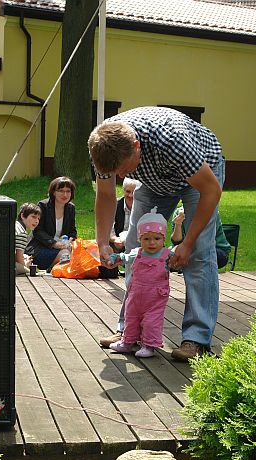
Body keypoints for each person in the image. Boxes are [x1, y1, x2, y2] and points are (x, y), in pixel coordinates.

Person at [88, 106, 225, 361]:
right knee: (134, 249)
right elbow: (106, 194)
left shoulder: (172, 140)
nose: (120, 176)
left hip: (199, 176)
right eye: (115, 172)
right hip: (154, 180)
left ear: (136, 147)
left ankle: (196, 339)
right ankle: (129, 331)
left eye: (123, 169)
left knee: (198, 255)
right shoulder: (102, 143)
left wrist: (187, 242)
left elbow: (211, 191)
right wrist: (102, 241)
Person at [109, 208, 171, 358]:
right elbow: (124, 257)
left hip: (155, 297)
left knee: (152, 321)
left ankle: (149, 345)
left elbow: (180, 258)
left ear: (163, 239)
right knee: (131, 317)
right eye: (146, 239)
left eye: (157, 239)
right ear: (139, 239)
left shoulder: (166, 255)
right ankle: (127, 342)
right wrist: (115, 258)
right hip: (136, 295)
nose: (151, 243)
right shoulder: (137, 253)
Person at [24, 177, 78, 271]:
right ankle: (52, 269)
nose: (65, 194)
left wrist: (70, 241)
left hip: (63, 247)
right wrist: (54, 244)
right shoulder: (43, 206)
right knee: (65, 254)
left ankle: (57, 268)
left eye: (68, 191)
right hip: (41, 248)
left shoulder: (70, 208)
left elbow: (72, 231)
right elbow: (38, 231)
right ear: (53, 192)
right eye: (61, 191)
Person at [110, 178, 142, 253]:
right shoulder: (114, 205)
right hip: (118, 241)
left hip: (138, 243)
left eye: (134, 192)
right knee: (103, 248)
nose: (130, 195)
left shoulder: (143, 207)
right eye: (128, 191)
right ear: (123, 191)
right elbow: (107, 227)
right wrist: (115, 239)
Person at [15, 203, 42, 275]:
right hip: (8, 266)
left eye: (38, 218)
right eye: (33, 217)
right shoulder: (21, 233)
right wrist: (26, 264)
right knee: (31, 272)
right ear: (23, 216)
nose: (36, 221)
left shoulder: (15, 226)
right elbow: (19, 260)